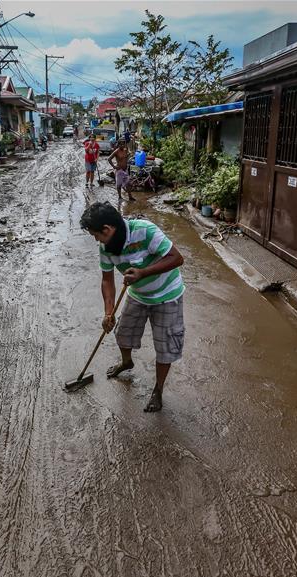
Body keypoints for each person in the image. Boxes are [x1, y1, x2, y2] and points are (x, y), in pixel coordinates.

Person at [80, 202, 186, 413]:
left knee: (165, 346)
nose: (95, 239)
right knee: (123, 334)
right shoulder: (105, 248)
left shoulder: (145, 231)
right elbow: (107, 281)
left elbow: (177, 258)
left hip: (167, 294)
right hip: (138, 295)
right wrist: (108, 312)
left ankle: (158, 389)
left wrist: (143, 272)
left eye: (96, 234)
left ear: (108, 230)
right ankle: (127, 362)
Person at [108, 140, 134, 206]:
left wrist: (128, 155)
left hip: (125, 169)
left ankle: (130, 196)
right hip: (119, 170)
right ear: (118, 145)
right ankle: (119, 196)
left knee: (128, 183)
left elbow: (126, 158)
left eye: (123, 144)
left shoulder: (125, 150)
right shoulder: (116, 151)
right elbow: (109, 159)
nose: (122, 145)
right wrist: (114, 166)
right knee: (119, 184)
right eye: (121, 144)